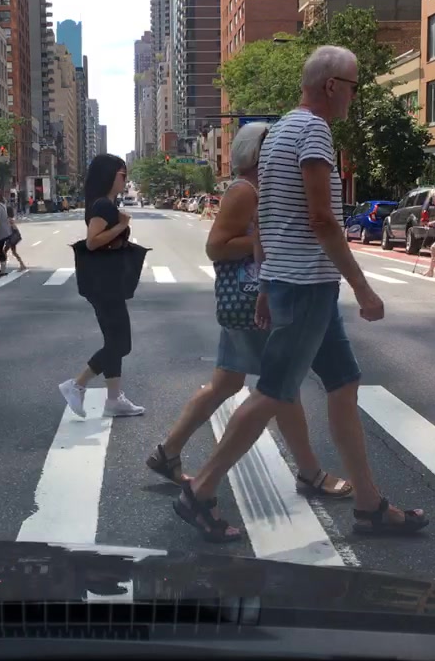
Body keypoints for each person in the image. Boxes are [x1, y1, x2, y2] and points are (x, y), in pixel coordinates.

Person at [170, 45, 428, 542]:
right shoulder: (313, 132)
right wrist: (363, 288)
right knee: (274, 391)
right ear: (332, 85)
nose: (354, 95)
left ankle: (369, 504)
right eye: (353, 85)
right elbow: (321, 219)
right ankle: (200, 490)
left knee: (343, 383)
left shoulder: (280, 132)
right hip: (308, 285)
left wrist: (267, 284)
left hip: (297, 285)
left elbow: (268, 220)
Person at [147, 122, 351, 499]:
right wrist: (266, 237)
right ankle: (309, 473)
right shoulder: (246, 190)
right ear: (258, 153)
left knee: (227, 383)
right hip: (253, 301)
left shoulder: (265, 189)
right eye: (274, 147)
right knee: (281, 387)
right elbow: (216, 246)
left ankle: (167, 452)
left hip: (250, 302)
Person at [57, 154, 145, 419]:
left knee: (114, 341)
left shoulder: (104, 203)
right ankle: (77, 384)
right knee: (122, 344)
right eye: (122, 174)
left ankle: (114, 400)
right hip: (105, 284)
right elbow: (93, 241)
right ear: (109, 175)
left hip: (105, 281)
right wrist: (122, 225)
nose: (125, 179)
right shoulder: (103, 206)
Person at [4, 205, 27, 270]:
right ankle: (22, 264)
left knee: (5, 251)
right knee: (13, 252)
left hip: (11, 238)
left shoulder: (9, 219)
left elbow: (12, 228)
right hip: (12, 238)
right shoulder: (10, 219)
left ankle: (4, 265)